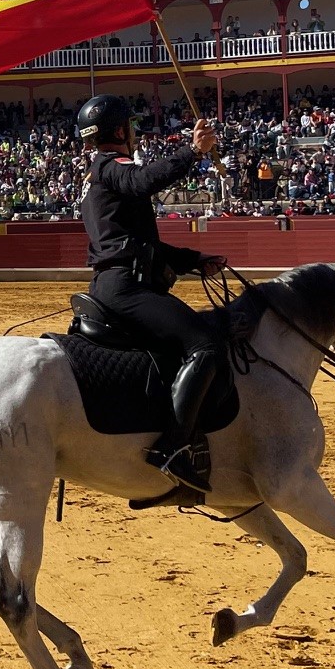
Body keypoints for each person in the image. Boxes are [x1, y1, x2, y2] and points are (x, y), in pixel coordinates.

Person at [76, 95, 227, 496]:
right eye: (132, 126)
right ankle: (174, 446)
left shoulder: (98, 173)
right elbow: (143, 181)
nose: (136, 134)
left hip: (116, 282)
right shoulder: (113, 167)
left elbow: (140, 245)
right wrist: (193, 152)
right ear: (119, 131)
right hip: (127, 287)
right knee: (206, 343)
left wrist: (195, 260)